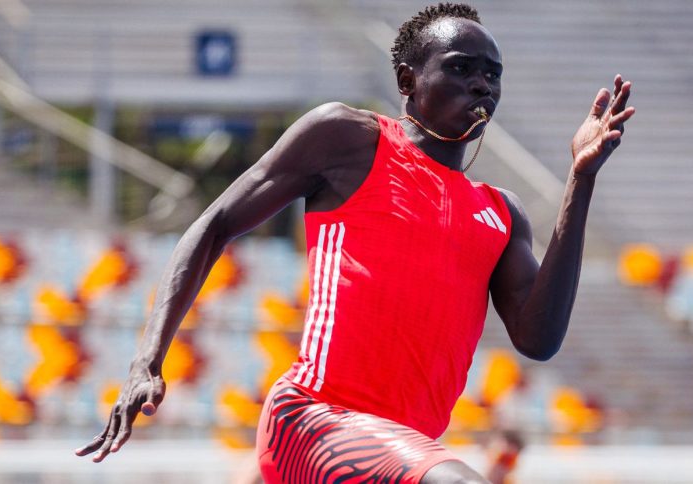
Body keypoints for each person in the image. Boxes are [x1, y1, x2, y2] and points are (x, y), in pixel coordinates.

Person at [74, 3, 634, 482]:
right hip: (313, 419)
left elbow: (538, 338)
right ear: (408, 80)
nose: (482, 83)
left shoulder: (501, 213)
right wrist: (146, 361)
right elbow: (213, 224)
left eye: (493, 73)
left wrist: (580, 181)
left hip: (399, 449)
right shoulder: (347, 139)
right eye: (462, 68)